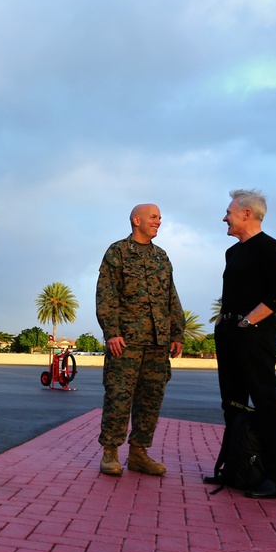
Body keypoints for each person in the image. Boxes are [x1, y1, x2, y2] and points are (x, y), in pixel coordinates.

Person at [210, 189, 276, 499]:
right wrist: (224, 321)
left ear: (246, 213)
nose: (225, 217)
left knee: (265, 402)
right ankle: (236, 469)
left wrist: (247, 322)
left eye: (229, 212)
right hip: (229, 334)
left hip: (254, 336)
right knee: (231, 402)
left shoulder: (269, 248)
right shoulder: (233, 252)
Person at [96, 203, 185, 476]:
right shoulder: (118, 252)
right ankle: (110, 453)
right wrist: (112, 331)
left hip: (158, 343)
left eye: (159, 217)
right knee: (119, 398)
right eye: (154, 217)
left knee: (150, 400)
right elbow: (106, 293)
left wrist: (177, 332)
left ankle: (138, 454)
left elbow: (171, 295)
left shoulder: (162, 257)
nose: (159, 221)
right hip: (127, 341)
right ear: (137, 220)